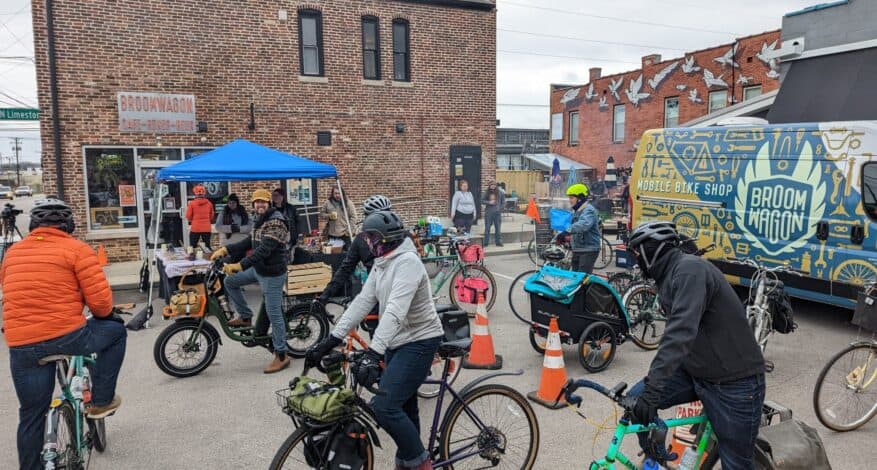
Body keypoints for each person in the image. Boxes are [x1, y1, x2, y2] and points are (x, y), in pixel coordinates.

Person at [306, 210, 444, 470]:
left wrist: (373, 353)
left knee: (384, 407)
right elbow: (362, 302)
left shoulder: (408, 263)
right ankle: (408, 460)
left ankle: (421, 463)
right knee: (404, 405)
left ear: (387, 238)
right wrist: (330, 340)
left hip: (419, 340)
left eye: (371, 237)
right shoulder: (383, 262)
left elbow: (394, 312)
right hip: (396, 341)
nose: (367, 243)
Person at [626, 221, 766, 469]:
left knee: (735, 464)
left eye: (637, 253)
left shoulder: (690, 270)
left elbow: (679, 334)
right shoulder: (668, 276)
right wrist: (648, 394)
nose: (636, 260)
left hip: (735, 385)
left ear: (652, 250)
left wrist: (654, 387)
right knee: (636, 402)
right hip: (696, 372)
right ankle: (656, 457)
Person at [2, 197, 126, 470]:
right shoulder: (77, 249)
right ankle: (101, 402)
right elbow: (101, 305)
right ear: (68, 225)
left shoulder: (12, 253)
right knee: (116, 332)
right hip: (66, 335)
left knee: (31, 415)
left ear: (34, 224)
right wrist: (106, 317)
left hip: (21, 344)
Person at [210, 189, 291, 373]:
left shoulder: (276, 221)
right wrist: (226, 250)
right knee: (230, 282)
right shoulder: (258, 219)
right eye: (257, 202)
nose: (260, 205)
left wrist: (240, 265)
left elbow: (264, 250)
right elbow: (249, 242)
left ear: (269, 203)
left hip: (272, 274)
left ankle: (281, 355)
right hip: (260, 269)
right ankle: (245, 316)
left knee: (273, 314)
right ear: (253, 205)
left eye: (263, 201)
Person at [317, 194, 391, 303]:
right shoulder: (361, 240)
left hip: (395, 293)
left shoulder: (402, 237)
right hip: (376, 291)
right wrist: (325, 295)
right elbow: (345, 269)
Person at [561, 183, 601, 274]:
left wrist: (567, 231)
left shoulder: (588, 210)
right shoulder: (578, 210)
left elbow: (584, 224)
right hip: (578, 249)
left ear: (580, 198)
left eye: (571, 198)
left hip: (588, 250)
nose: (569, 200)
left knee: (582, 280)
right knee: (574, 278)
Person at [186, 184, 215, 248]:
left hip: (195, 227)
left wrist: (193, 220)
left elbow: (188, 216)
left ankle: (193, 257)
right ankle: (208, 257)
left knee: (192, 246)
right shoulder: (209, 203)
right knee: (207, 246)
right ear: (204, 193)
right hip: (206, 227)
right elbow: (212, 216)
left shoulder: (192, 204)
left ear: (195, 193)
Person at [482, 181, 505, 247]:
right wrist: (489, 202)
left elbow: (503, 202)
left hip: (497, 214)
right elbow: (481, 200)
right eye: (491, 185)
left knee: (498, 228)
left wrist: (500, 208)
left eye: (494, 185)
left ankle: (498, 242)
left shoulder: (500, 192)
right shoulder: (486, 192)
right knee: (487, 228)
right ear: (489, 185)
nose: (493, 186)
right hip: (489, 213)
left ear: (496, 185)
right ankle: (486, 242)